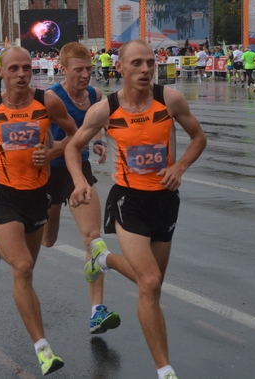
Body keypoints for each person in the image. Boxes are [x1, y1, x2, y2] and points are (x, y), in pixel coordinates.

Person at [65, 40, 207, 379]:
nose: (145, 69)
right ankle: (165, 370)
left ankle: (103, 259)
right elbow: (73, 147)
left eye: (150, 63)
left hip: (165, 200)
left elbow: (199, 137)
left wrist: (180, 167)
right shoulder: (105, 110)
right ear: (121, 68)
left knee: (151, 289)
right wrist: (78, 182)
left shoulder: (169, 99)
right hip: (128, 200)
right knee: (151, 279)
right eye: (137, 64)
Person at [0, 46, 78, 376]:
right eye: (14, 69)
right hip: (5, 194)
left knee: (26, 268)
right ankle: (43, 349)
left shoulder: (47, 102)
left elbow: (74, 134)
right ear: (1, 72)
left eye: (27, 68)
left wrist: (53, 151)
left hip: (38, 195)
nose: (22, 74)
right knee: (22, 267)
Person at [40, 42, 121, 335]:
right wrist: (53, 153)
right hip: (52, 173)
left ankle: (97, 311)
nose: (86, 75)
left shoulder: (95, 95)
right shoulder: (52, 97)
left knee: (93, 238)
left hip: (80, 172)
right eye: (79, 70)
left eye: (89, 68)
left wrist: (97, 142)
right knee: (48, 240)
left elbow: (94, 126)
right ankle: (0, 245)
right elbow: (49, 141)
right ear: (64, 70)